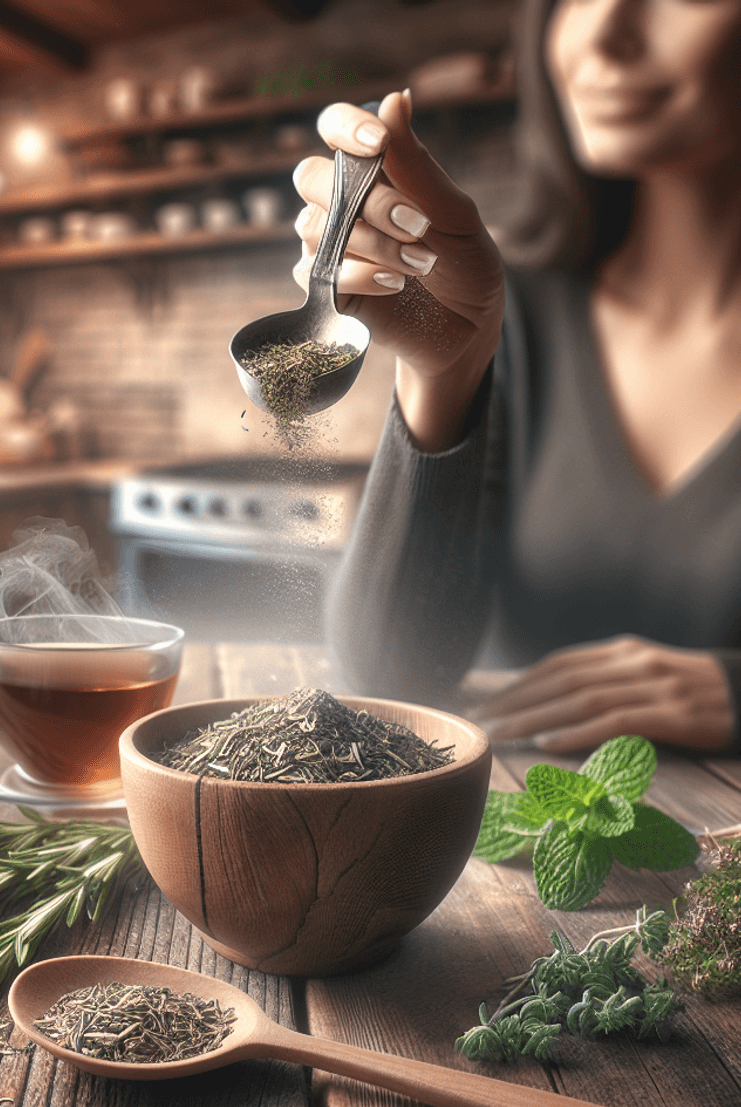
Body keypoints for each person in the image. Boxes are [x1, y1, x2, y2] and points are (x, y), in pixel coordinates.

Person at [293, 0, 741, 752]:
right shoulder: (517, 313)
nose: (602, 33)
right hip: (507, 855)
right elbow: (388, 682)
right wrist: (445, 368)